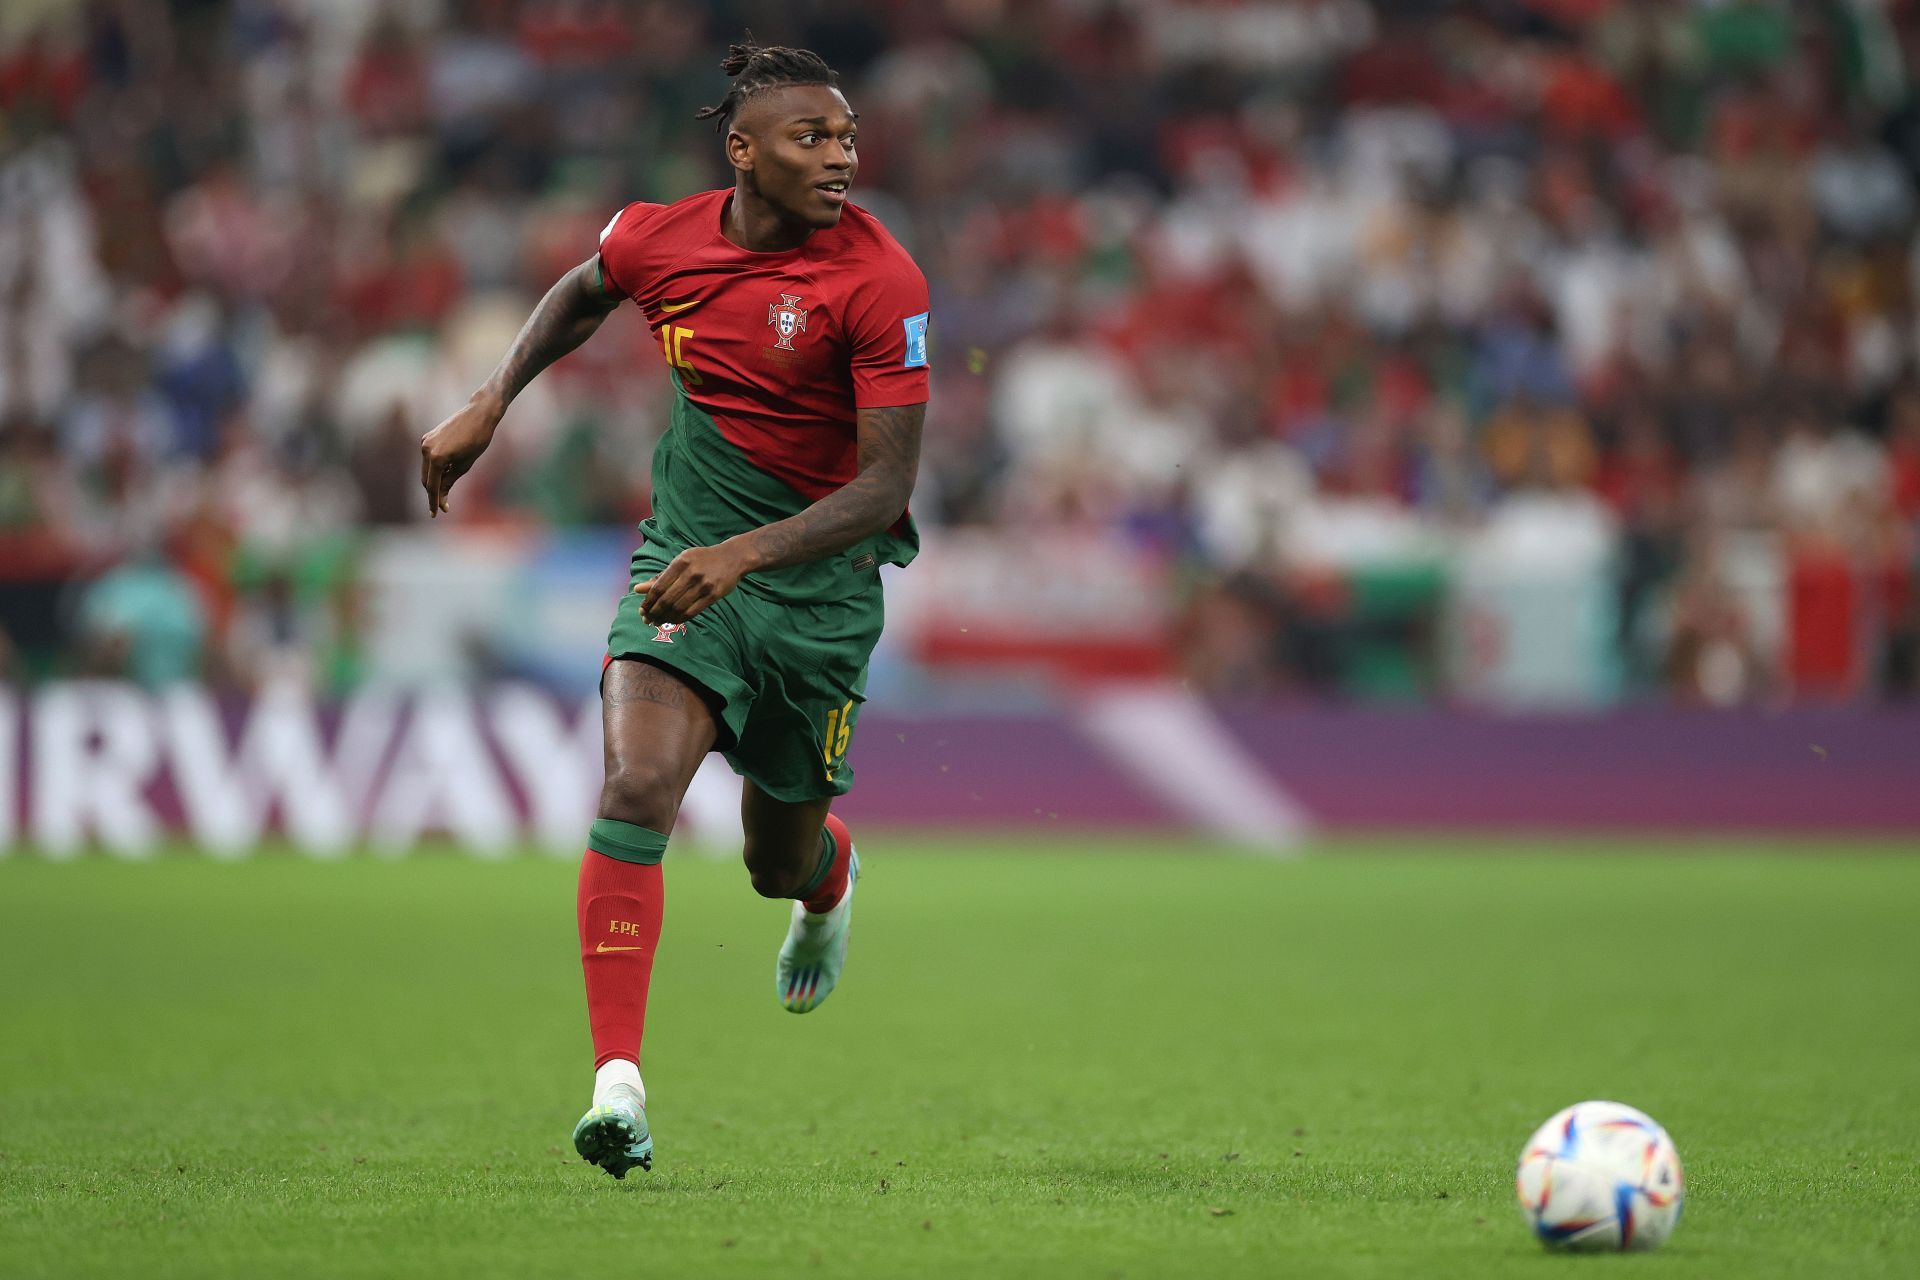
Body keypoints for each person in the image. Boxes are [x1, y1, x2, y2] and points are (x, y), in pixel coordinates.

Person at [418, 40, 929, 1179]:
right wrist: (491, 400)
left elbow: (886, 489)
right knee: (638, 782)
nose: (841, 156)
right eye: (814, 137)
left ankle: (829, 875)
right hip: (684, 565)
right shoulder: (660, 235)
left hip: (818, 598)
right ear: (742, 152)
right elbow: (582, 290)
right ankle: (618, 1084)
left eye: (848, 137)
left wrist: (745, 554)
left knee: (772, 860)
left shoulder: (879, 279)